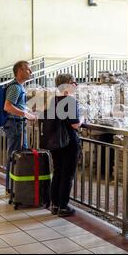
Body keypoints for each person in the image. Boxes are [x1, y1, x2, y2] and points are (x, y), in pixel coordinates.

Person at [49, 74, 83, 217]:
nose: (75, 85)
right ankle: (63, 207)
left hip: (55, 142)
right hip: (69, 142)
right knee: (67, 175)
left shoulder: (53, 100)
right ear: (67, 85)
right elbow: (75, 124)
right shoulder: (70, 100)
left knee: (57, 173)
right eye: (74, 82)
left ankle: (55, 205)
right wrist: (83, 119)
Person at [3, 60, 37, 193]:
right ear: (20, 71)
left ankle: (16, 187)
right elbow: (7, 106)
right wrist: (25, 114)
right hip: (15, 125)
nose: (31, 72)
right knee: (15, 156)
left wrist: (27, 111)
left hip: (18, 125)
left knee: (19, 156)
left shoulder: (19, 87)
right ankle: (11, 187)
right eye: (28, 69)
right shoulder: (15, 87)